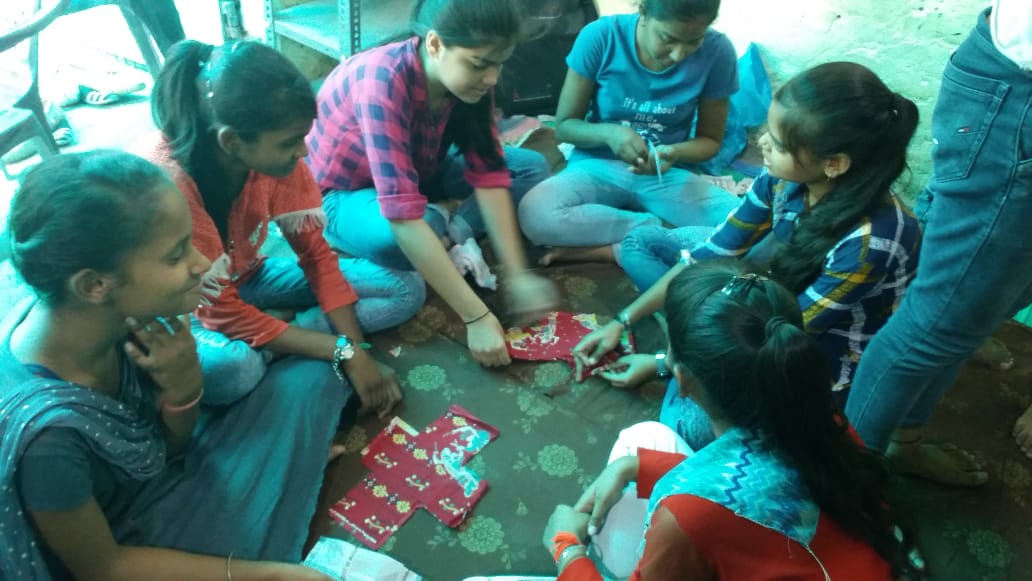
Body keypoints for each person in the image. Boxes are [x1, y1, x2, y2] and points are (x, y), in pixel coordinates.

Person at [1, 151, 335, 580]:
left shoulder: (117, 320)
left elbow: (167, 450)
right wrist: (264, 575)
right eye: (176, 255)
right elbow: (105, 567)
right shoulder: (47, 444)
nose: (201, 262)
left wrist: (182, 387)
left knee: (311, 378)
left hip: (151, 482)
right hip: (127, 543)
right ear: (94, 285)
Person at [575, 62, 921, 448]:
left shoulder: (871, 242)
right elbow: (711, 253)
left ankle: (686, 340)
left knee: (687, 427)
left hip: (809, 348)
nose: (762, 145)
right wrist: (622, 322)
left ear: (834, 163)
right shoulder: (781, 179)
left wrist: (668, 364)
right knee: (642, 245)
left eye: (779, 143)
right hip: (766, 285)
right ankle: (687, 332)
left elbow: (781, 335)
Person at [542, 261, 920, 579]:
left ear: (684, 379)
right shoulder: (818, 416)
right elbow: (759, 486)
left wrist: (566, 548)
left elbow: (721, 501)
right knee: (643, 439)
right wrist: (636, 465)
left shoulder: (688, 514)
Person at [149, 39, 423, 415]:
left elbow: (316, 256)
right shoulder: (172, 189)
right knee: (235, 370)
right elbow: (217, 311)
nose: (304, 152)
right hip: (194, 311)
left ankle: (275, 339)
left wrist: (356, 349)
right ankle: (276, 340)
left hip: (250, 278)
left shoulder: (276, 163)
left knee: (405, 288)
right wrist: (342, 350)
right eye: (290, 142)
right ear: (231, 141)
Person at [306, 0, 558, 369]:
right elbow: (403, 220)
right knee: (410, 230)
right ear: (436, 44)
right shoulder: (382, 81)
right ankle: (440, 225)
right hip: (342, 197)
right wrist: (476, 317)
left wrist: (518, 275)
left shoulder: (469, 83)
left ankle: (447, 225)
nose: (492, 78)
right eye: (480, 64)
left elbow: (488, 174)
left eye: (499, 63)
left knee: (530, 168)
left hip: (419, 173)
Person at [846, 0, 1032, 484]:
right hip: (1019, 92)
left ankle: (901, 439)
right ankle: (847, 484)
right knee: (938, 323)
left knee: (975, 309)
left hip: (1011, 89)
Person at [517, 0, 742, 267]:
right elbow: (565, 127)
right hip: (595, 166)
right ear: (643, 12)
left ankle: (614, 248)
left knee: (754, 232)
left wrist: (674, 152)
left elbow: (710, 141)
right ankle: (657, 232)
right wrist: (611, 134)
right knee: (535, 214)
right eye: (667, 38)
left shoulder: (718, 52)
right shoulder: (602, 36)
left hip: (663, 173)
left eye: (693, 41)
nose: (679, 54)